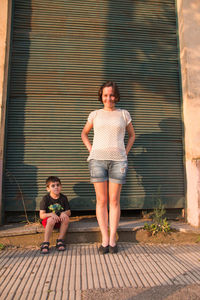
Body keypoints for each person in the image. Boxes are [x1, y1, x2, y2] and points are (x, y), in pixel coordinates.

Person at [81, 81, 135, 254]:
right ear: (101, 96)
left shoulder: (124, 114)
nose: (108, 98)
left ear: (116, 96)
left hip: (118, 161)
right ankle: (104, 238)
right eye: (105, 95)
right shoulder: (95, 114)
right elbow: (84, 133)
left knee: (114, 201)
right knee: (101, 201)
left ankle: (113, 239)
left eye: (111, 95)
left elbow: (132, 135)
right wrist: (92, 150)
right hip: (97, 160)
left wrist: (125, 153)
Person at [40, 176, 71, 254]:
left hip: (59, 221)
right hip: (48, 222)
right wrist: (51, 214)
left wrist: (63, 213)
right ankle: (46, 242)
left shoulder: (63, 198)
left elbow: (69, 212)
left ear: (61, 186)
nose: (56, 187)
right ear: (48, 188)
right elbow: (42, 215)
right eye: (53, 186)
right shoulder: (45, 199)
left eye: (58, 185)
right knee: (51, 219)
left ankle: (60, 240)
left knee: (66, 218)